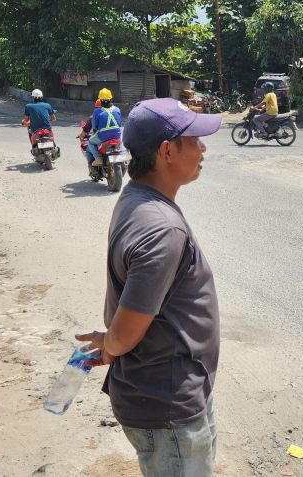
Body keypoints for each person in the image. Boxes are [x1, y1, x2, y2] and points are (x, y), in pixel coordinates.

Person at [76, 98, 223, 477]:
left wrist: (112, 346)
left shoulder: (137, 197)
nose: (203, 148)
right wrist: (112, 345)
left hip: (168, 390)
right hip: (167, 406)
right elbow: (125, 334)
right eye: (194, 141)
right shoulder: (161, 228)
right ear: (167, 151)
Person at [87, 88, 122, 167]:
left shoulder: (97, 111)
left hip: (103, 136)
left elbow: (95, 127)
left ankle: (98, 158)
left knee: (90, 142)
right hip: (117, 135)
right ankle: (122, 154)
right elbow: (119, 124)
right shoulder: (117, 109)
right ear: (111, 99)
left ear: (100, 100)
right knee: (121, 140)